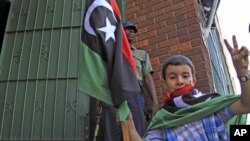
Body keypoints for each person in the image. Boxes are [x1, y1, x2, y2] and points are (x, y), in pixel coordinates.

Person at [126, 35, 250, 141]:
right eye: (173, 77)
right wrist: (129, 124)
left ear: (193, 81)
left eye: (185, 76)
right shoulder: (163, 118)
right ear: (165, 83)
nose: (180, 81)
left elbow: (246, 105)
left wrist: (242, 71)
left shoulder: (210, 105)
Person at [122, 21, 159, 132]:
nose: (132, 31)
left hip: (135, 90)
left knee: (138, 126)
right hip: (116, 89)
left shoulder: (141, 54)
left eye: (134, 30)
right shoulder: (113, 51)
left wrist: (155, 102)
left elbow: (147, 77)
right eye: (128, 29)